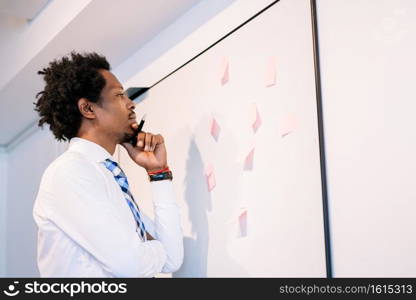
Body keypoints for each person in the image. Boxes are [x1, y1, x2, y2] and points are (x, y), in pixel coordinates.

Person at [32, 51, 183, 277]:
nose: (131, 104)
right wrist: (149, 249)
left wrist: (158, 173)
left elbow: (172, 260)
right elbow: (130, 266)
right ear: (88, 109)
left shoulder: (107, 177)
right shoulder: (70, 172)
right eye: (119, 95)